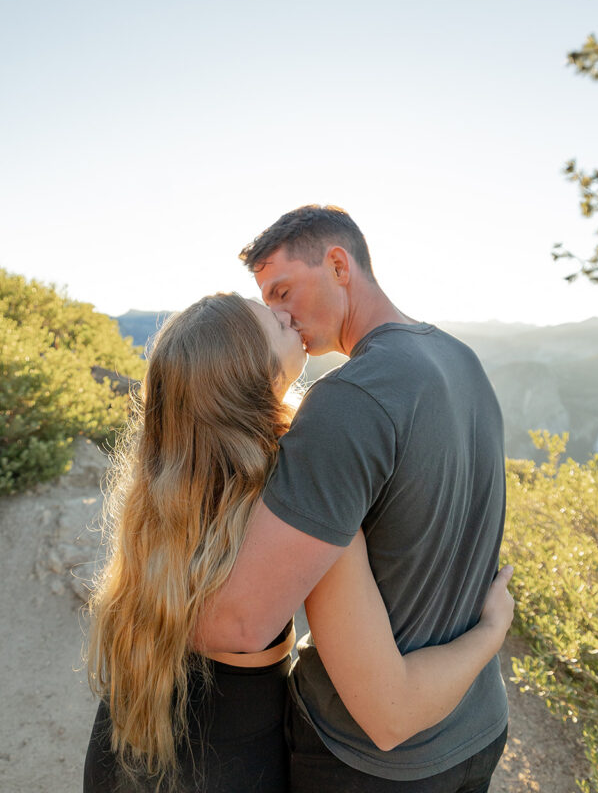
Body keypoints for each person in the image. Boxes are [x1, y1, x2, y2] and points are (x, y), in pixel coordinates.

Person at [84, 291, 513, 793]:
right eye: (272, 318)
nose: (287, 312)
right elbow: (392, 709)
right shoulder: (296, 496)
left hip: (124, 740)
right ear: (253, 373)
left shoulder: (160, 487)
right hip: (227, 763)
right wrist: (492, 630)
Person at [195, 205, 510, 792]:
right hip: (477, 722)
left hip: (369, 758)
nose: (280, 315)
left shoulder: (347, 399)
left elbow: (240, 625)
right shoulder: (460, 358)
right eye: (267, 303)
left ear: (339, 264)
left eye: (283, 290)